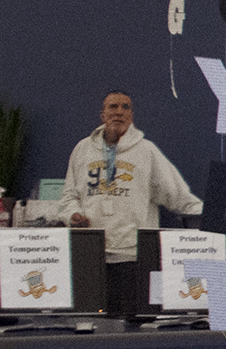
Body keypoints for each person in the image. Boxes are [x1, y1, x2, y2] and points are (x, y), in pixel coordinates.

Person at [56, 89, 203, 315]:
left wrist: (212, 221)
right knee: (93, 323)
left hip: (132, 256)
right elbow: (69, 197)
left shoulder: (146, 151)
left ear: (132, 115)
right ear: (102, 115)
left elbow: (178, 196)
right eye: (113, 107)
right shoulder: (82, 149)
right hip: (91, 256)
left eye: (125, 107)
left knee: (131, 323)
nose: (119, 112)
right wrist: (72, 215)